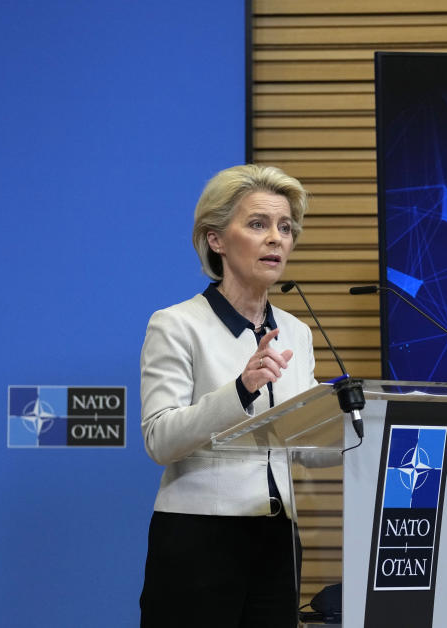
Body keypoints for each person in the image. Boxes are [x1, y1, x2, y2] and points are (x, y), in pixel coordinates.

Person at [138, 164, 315, 627]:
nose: (276, 238)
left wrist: (363, 423)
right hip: (200, 537)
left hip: (279, 539)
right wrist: (240, 389)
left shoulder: (296, 331)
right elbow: (160, 439)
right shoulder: (176, 324)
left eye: (285, 227)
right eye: (258, 224)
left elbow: (311, 447)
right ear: (216, 239)